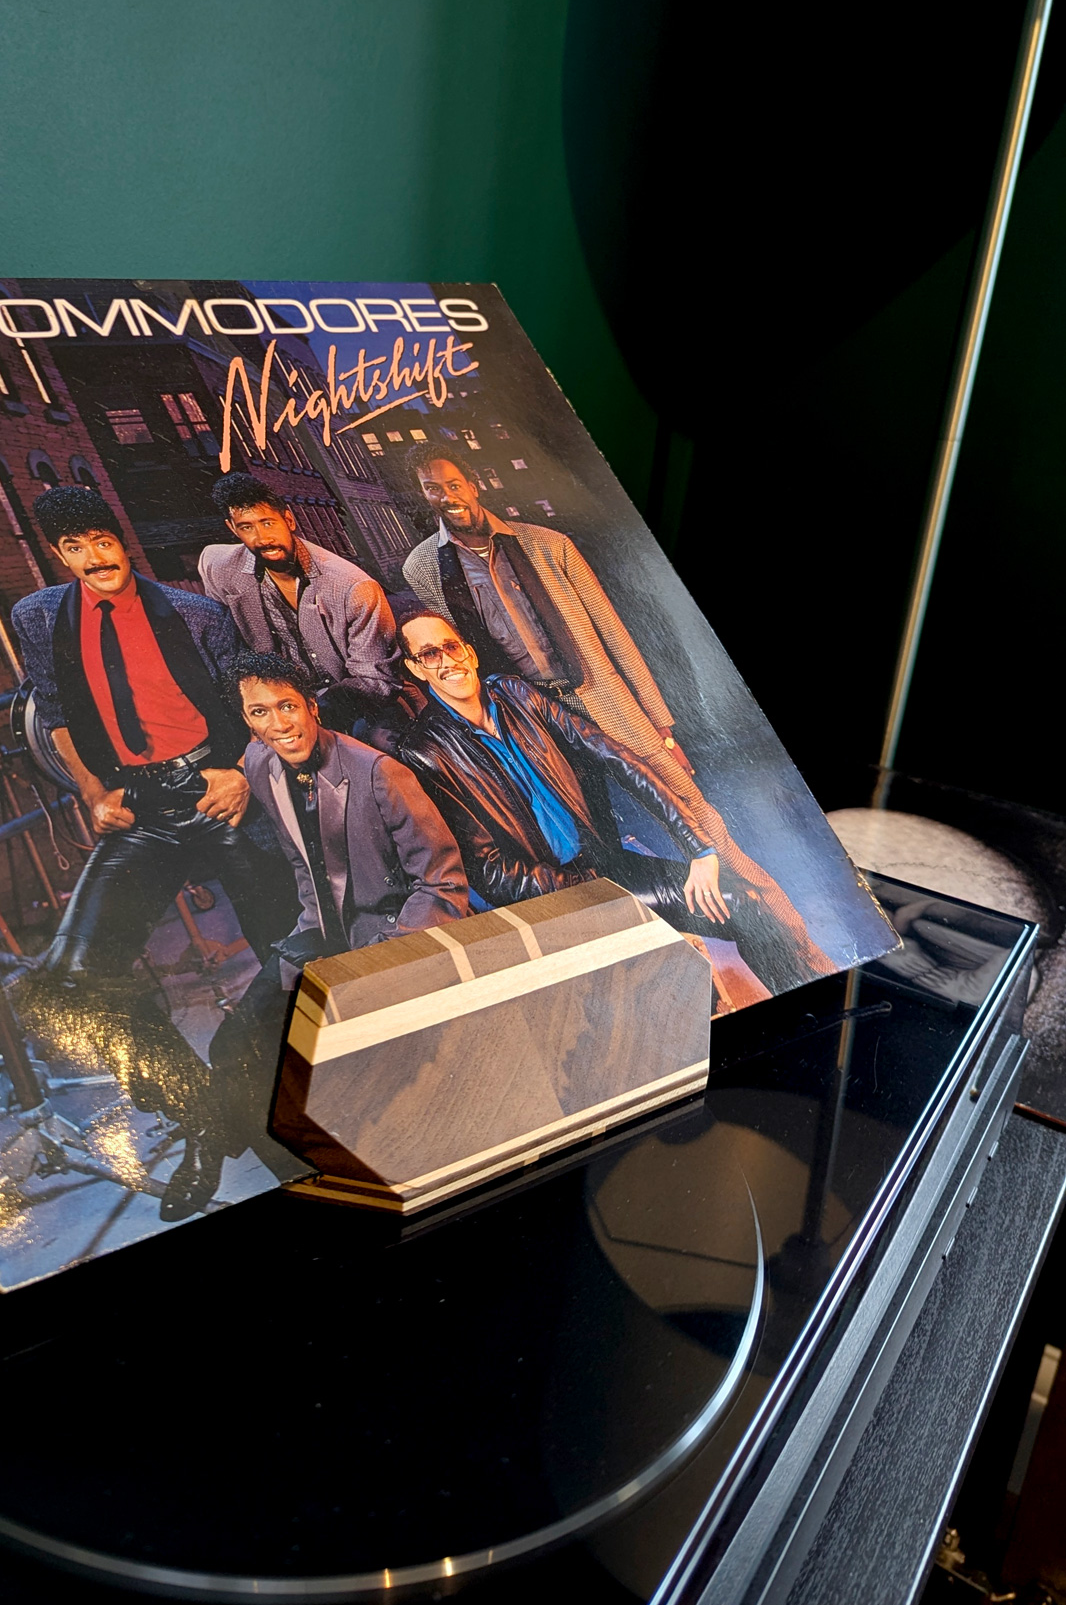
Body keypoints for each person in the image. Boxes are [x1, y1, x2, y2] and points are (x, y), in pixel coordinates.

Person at [400, 446, 834, 977]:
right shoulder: (423, 566)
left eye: (454, 484)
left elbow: (613, 633)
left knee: (702, 827)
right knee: (595, 844)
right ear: (422, 497)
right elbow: (449, 645)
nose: (447, 497)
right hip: (530, 720)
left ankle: (797, 945)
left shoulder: (547, 544)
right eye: (433, 488)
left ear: (473, 484)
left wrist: (659, 722)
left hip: (599, 699)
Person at [9, 486, 295, 1220]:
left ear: (122, 539)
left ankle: (268, 1102)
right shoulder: (38, 617)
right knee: (70, 980)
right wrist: (91, 790)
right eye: (74, 548)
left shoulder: (197, 614)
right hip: (139, 807)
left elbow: (250, 701)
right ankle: (204, 1118)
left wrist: (237, 770)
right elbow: (58, 712)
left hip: (217, 789)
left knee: (290, 954)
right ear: (58, 554)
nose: (93, 558)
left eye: (102, 541)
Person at [395, 612, 815, 996]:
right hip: (553, 901)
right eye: (429, 654)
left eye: (451, 647)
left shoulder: (515, 693)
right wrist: (592, 889)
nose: (447, 661)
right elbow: (489, 871)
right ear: (415, 669)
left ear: (469, 653)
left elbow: (615, 757)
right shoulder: (425, 751)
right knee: (673, 983)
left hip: (605, 867)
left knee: (745, 903)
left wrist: (698, 848)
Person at [209, 651, 468, 1159]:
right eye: (260, 712)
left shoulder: (379, 773)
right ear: (247, 721)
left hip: (390, 938)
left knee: (343, 1077)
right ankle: (289, 1172)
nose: (279, 724)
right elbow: (303, 864)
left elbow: (443, 885)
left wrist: (379, 962)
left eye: (288, 706)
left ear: (312, 707)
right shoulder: (260, 763)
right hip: (322, 934)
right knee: (233, 1048)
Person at [198, 472, 410, 746]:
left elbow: (376, 679)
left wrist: (310, 713)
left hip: (355, 704)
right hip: (276, 706)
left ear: (289, 520)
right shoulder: (217, 567)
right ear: (232, 529)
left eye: (268, 523)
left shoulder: (352, 586)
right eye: (247, 527)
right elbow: (228, 650)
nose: (262, 538)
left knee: (380, 745)